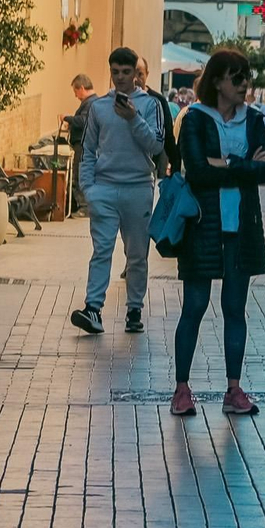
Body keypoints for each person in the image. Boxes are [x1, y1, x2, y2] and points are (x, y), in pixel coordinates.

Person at [171, 49, 265, 417]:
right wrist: (246, 166)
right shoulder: (196, 119)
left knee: (235, 308)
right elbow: (198, 171)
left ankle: (234, 390)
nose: (245, 84)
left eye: (246, 77)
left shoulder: (253, 120)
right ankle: (182, 388)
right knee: (195, 307)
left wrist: (229, 164)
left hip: (241, 227)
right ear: (218, 81)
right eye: (237, 78)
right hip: (203, 224)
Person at [71, 47, 165, 336]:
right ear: (110, 73)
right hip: (105, 188)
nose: (121, 78)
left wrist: (133, 118)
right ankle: (93, 308)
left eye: (127, 72)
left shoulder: (150, 105)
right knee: (102, 250)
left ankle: (134, 308)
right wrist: (89, 188)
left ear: (136, 74)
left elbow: (156, 145)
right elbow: (87, 150)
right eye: (116, 72)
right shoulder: (99, 107)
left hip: (138, 187)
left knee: (137, 253)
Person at [136, 55, 180, 176]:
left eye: (140, 74)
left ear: (147, 74)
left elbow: (168, 133)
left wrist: (175, 164)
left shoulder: (158, 100)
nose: (136, 79)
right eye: (133, 74)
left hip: (149, 166)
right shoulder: (122, 98)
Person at [66, 74, 97, 217]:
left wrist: (68, 119)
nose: (75, 96)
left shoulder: (90, 103)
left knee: (80, 175)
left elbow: (84, 121)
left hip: (83, 145)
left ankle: (84, 208)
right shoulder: (93, 102)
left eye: (75, 92)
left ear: (82, 88)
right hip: (85, 144)